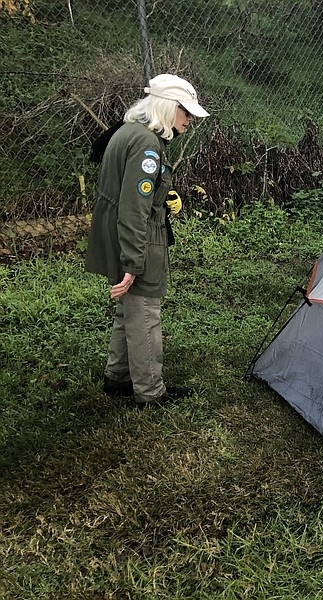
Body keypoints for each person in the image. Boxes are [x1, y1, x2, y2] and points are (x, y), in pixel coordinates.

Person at [85, 73, 210, 407]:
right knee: (144, 311)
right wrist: (132, 263)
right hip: (135, 238)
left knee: (128, 311)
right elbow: (133, 209)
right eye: (186, 113)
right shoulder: (146, 145)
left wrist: (163, 193)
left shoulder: (130, 131)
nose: (188, 121)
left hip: (119, 233)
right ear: (168, 108)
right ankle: (150, 392)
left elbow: (134, 192)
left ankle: (118, 376)